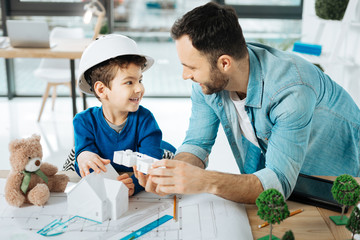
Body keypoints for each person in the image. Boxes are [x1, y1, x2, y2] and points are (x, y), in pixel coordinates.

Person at [135, 2, 360, 203]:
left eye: (191, 67)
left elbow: (278, 183)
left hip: (334, 182)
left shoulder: (291, 92)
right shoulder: (207, 83)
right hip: (287, 179)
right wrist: (173, 173)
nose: (185, 75)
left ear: (224, 63)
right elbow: (197, 143)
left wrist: (204, 180)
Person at [74, 34, 172, 196]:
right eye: (129, 82)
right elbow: (84, 165)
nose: (140, 88)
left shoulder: (145, 120)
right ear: (101, 90)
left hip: (155, 155)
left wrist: (134, 185)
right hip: (111, 171)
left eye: (140, 80)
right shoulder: (83, 121)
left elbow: (151, 167)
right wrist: (84, 157)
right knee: (76, 155)